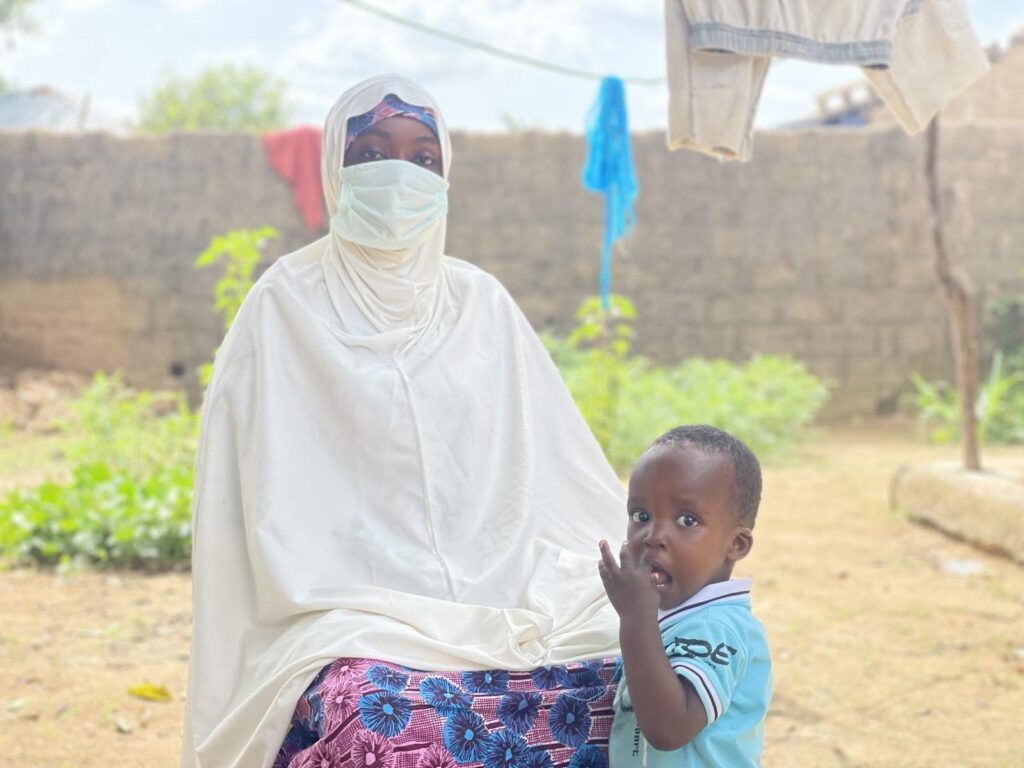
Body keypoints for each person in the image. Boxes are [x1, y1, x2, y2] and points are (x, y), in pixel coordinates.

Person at [180, 74, 626, 768]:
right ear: (334, 170)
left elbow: (559, 475)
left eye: (423, 159)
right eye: (372, 153)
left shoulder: (482, 304)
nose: (400, 176)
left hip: (505, 587)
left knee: (641, 666)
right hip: (348, 609)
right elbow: (247, 517)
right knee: (376, 717)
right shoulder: (283, 308)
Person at [598, 425, 772, 767]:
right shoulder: (674, 615)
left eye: (687, 520)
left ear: (735, 545)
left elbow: (669, 728)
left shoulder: (721, 627)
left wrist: (635, 619)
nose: (653, 536)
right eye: (641, 516)